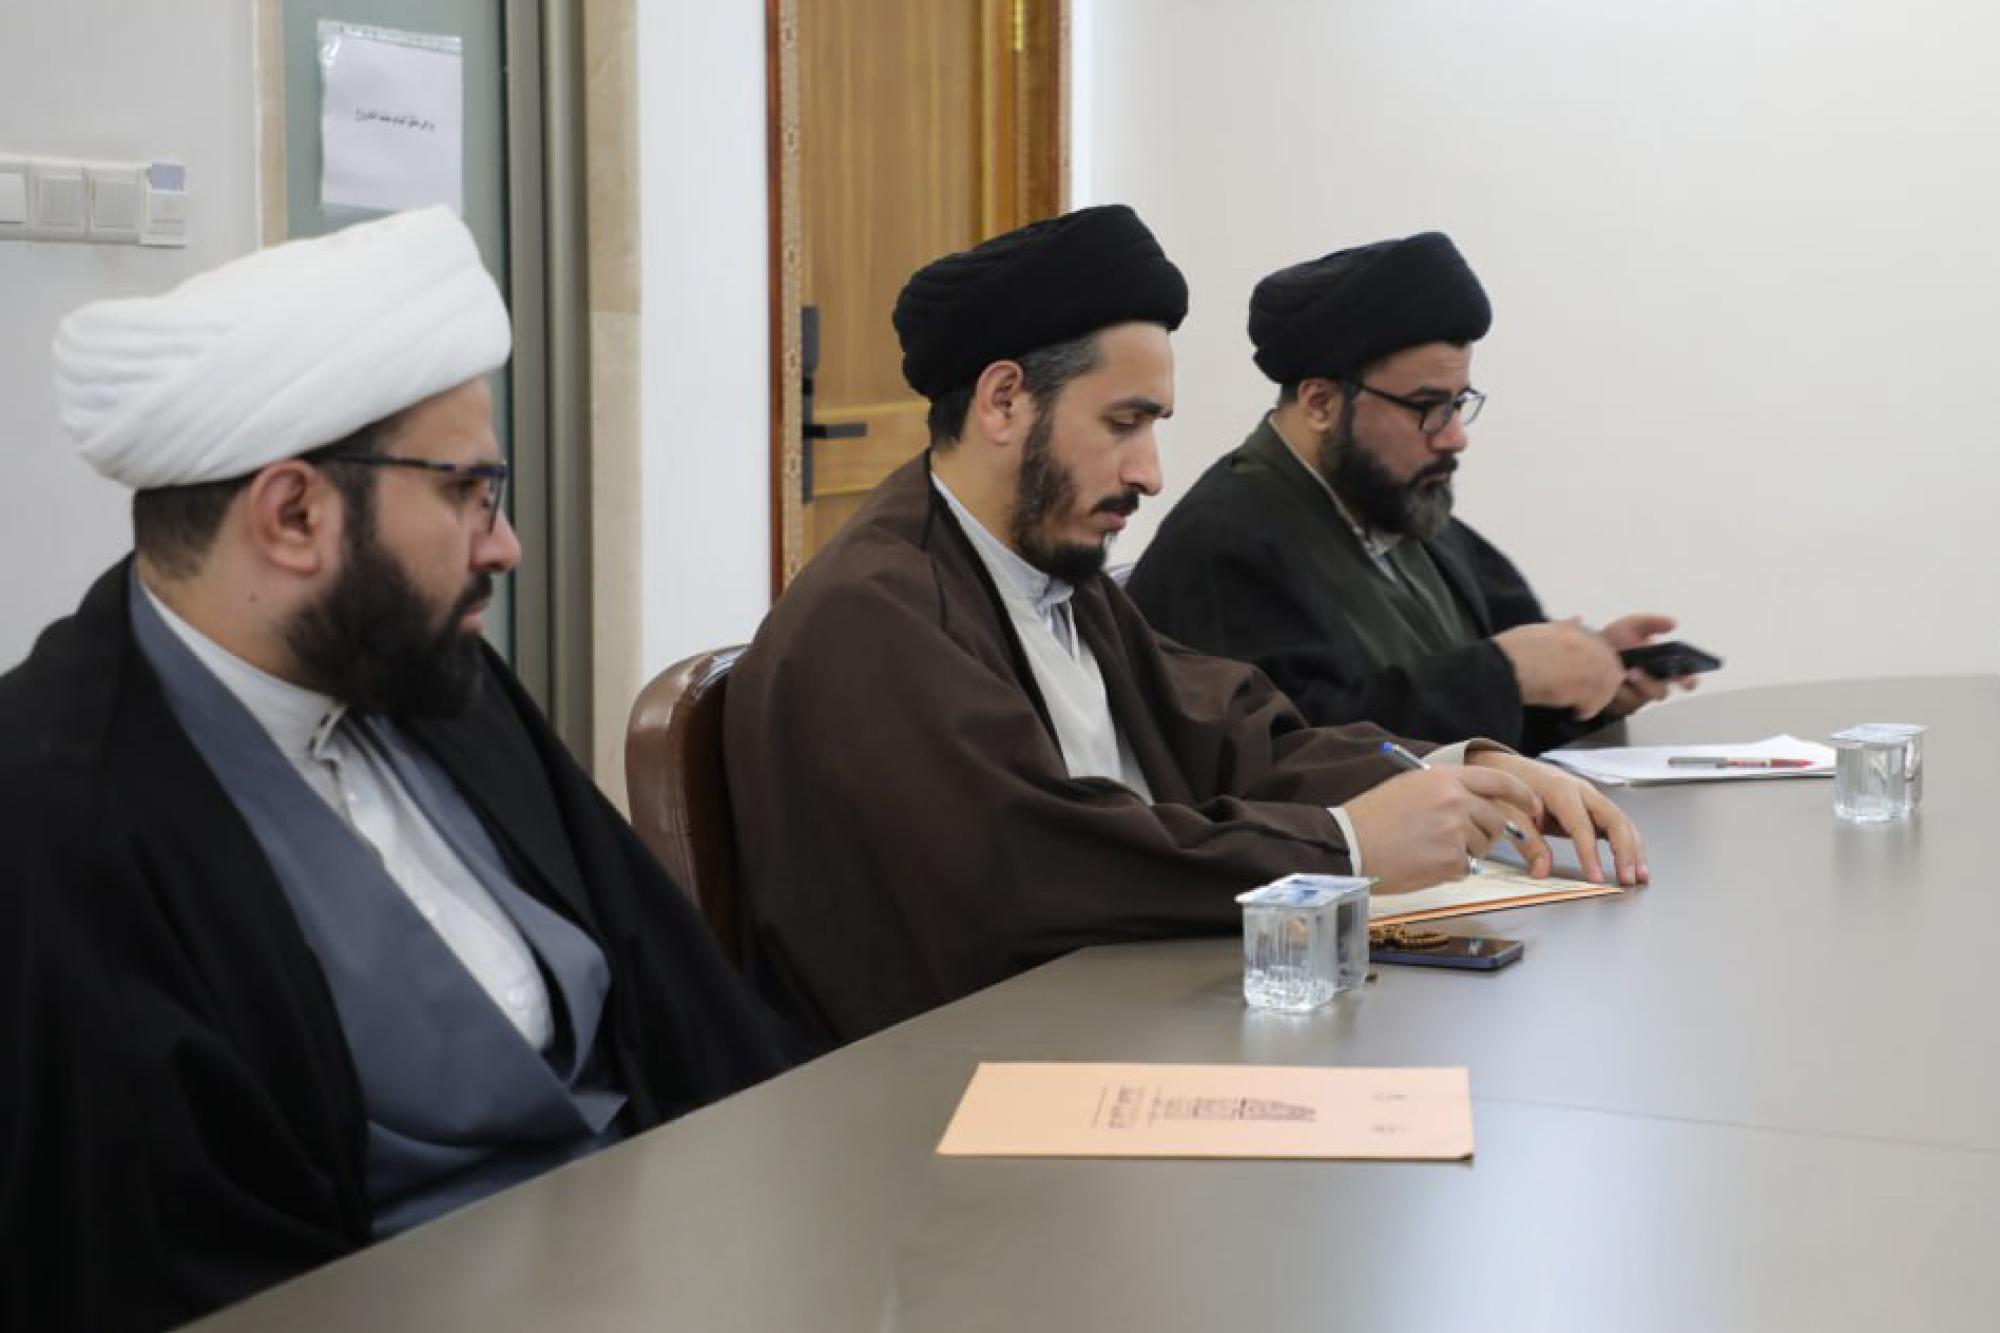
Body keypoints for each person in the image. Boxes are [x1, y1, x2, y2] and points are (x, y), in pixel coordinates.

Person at [0, 207, 787, 1333]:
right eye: (468, 491)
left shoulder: (428, 673)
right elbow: (171, 1267)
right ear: (294, 514)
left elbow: (690, 1018)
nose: (504, 544)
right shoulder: (57, 819)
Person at [722, 206, 1644, 1048]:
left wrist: (1453, 771)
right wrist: (1347, 846)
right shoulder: (875, 612)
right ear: (1003, 400)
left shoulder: (1055, 574)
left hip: (1115, 1025)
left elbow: (1238, 735)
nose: (1152, 473)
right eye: (1124, 423)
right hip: (952, 1090)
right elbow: (1040, 866)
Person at [1127, 232, 1697, 755]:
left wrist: (1586, 681)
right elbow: (1285, 753)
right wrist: (1503, 675)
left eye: (1458, 403)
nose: (1454, 436)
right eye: (1427, 407)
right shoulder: (1223, 545)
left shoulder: (1406, 507)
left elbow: (1506, 707)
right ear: (1321, 403)